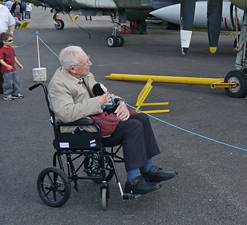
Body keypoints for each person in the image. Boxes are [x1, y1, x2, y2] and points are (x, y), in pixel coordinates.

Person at [48, 46, 176, 195]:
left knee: (141, 117)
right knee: (133, 126)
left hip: (98, 121)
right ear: (72, 69)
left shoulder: (85, 75)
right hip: (82, 130)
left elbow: (104, 94)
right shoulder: (58, 84)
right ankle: (133, 181)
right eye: (86, 62)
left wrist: (120, 102)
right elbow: (66, 113)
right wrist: (98, 102)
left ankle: (148, 169)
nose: (90, 63)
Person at [0, 32, 23, 101]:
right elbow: (1, 60)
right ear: (4, 42)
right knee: (8, 82)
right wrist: (7, 65)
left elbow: (14, 57)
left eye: (12, 40)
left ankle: (16, 93)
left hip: (13, 68)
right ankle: (7, 94)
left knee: (16, 80)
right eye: (10, 40)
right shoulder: (2, 51)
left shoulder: (11, 48)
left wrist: (18, 64)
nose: (12, 42)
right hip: (6, 69)